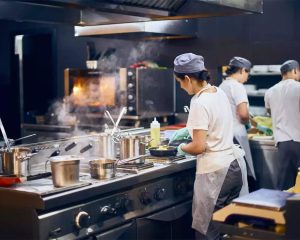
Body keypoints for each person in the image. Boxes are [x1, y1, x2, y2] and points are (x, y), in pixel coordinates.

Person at [173, 53, 247, 239]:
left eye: (180, 82)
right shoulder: (218, 92)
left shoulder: (198, 102)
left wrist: (181, 148)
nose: (181, 87)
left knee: (207, 232)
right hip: (234, 167)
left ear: (188, 78)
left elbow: (198, 147)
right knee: (227, 230)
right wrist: (189, 132)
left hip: (216, 175)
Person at [219, 57, 256, 191]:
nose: (247, 76)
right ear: (241, 70)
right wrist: (247, 124)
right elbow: (243, 114)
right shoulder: (237, 86)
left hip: (225, 135)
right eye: (247, 72)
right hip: (237, 135)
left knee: (233, 174)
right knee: (242, 172)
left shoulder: (222, 86)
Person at [264, 60, 300, 190]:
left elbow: (269, 112)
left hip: (282, 143)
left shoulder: (270, 91)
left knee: (285, 184)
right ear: (295, 70)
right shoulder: (298, 88)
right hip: (298, 140)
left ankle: (283, 209)